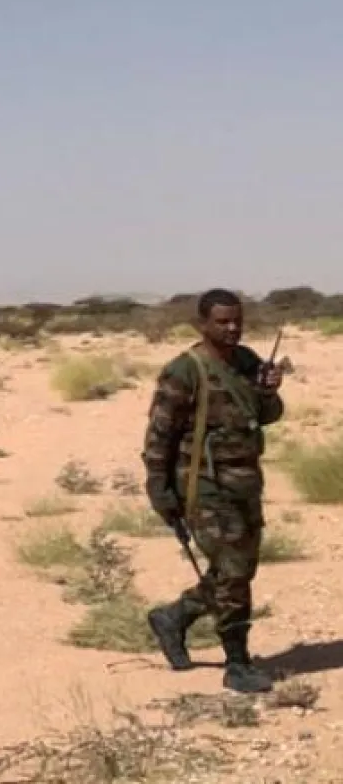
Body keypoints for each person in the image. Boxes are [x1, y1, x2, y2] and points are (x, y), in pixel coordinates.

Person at [142, 288, 284, 694]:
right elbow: (159, 437)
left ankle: (174, 618)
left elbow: (267, 415)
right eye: (222, 321)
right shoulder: (185, 371)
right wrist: (160, 489)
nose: (232, 328)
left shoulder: (246, 361)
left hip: (245, 484)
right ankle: (237, 663)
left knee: (234, 570)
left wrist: (269, 390)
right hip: (203, 487)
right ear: (202, 324)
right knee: (235, 574)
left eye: (237, 320)